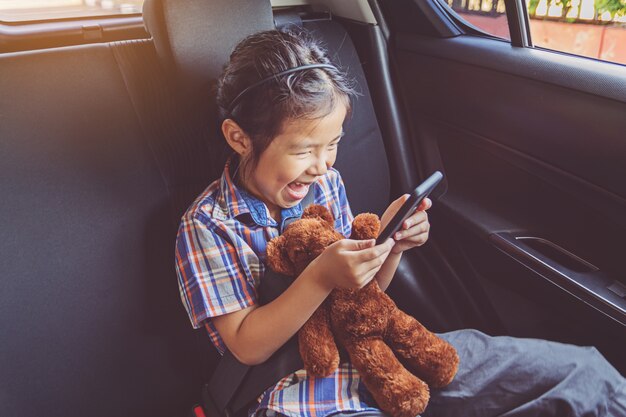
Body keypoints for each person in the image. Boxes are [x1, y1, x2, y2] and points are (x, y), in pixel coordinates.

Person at [175, 28, 626, 417]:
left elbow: (362, 297)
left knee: (585, 376)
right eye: (302, 150)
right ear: (238, 137)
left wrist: (390, 247)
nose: (321, 165)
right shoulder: (208, 226)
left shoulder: (327, 183)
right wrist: (319, 276)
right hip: (299, 392)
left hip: (383, 353)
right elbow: (246, 346)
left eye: (332, 144)